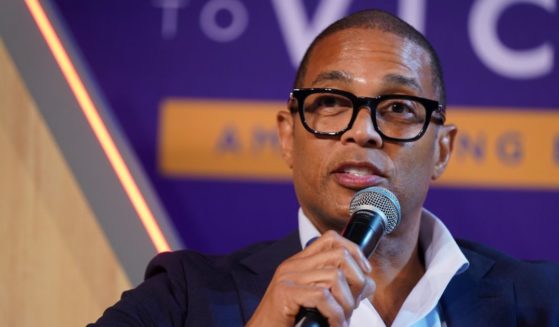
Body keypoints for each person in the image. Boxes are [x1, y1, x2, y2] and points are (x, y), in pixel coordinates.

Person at [90, 9, 559, 327]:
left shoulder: (545, 301)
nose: (364, 132)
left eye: (398, 107)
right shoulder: (185, 297)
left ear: (442, 149)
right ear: (288, 136)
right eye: (332, 102)